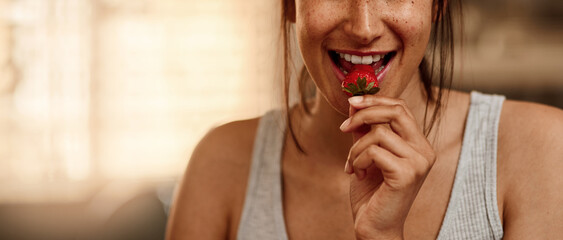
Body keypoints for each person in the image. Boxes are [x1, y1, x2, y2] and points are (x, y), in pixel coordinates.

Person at [166, 0, 563, 239]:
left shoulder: (542, 152)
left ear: (437, 4)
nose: (364, 28)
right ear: (290, 4)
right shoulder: (218, 166)